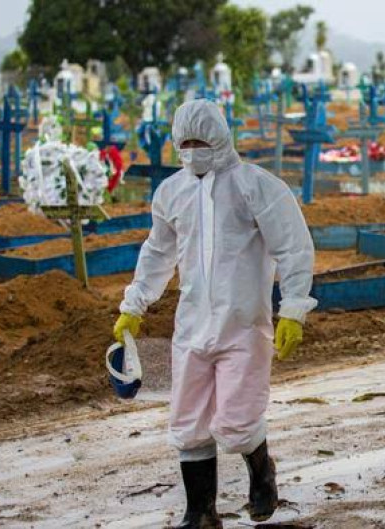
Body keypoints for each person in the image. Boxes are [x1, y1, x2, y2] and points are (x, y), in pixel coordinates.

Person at [112, 100, 317, 527]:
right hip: (191, 327)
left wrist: (293, 309)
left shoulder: (256, 186)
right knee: (188, 423)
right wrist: (134, 304)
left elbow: (292, 246)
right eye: (184, 143)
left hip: (243, 326)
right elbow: (157, 253)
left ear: (220, 138)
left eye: (200, 141)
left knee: (238, 423)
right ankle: (200, 512)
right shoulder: (172, 192)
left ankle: (262, 472)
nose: (192, 149)